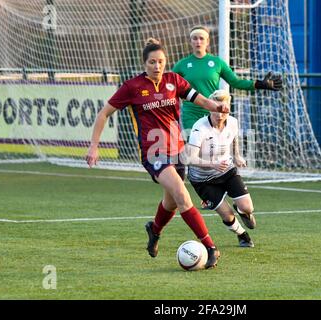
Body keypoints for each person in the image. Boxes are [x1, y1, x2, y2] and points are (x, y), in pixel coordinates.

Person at [85, 38, 229, 269]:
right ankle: (211, 247)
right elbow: (103, 114)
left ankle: (154, 230)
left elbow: (200, 99)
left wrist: (216, 107)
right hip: (153, 152)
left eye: (161, 61)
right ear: (144, 63)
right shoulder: (132, 87)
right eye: (152, 62)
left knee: (170, 203)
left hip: (178, 150)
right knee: (182, 195)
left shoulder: (174, 81)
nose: (157, 66)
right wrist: (94, 145)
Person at [173, 25, 283, 137]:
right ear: (190, 41)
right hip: (190, 112)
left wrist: (259, 84)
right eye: (195, 38)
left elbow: (235, 82)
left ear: (208, 41)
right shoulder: (181, 65)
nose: (198, 41)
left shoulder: (217, 62)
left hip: (213, 111)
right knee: (194, 146)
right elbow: (170, 87)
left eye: (201, 38)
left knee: (212, 149)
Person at [185, 90, 256, 248]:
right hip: (202, 179)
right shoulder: (199, 128)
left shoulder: (232, 122)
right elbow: (190, 158)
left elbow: (234, 138)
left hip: (226, 170)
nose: (220, 114)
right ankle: (242, 235)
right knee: (227, 214)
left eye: (224, 110)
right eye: (216, 109)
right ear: (209, 108)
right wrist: (212, 164)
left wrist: (237, 155)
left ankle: (241, 208)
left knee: (247, 207)